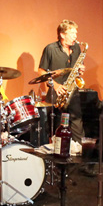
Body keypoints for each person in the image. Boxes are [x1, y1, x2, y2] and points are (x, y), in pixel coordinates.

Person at [38, 19, 85, 148]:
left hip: (73, 92)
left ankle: (79, 152)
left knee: (77, 126)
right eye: (72, 33)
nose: (75, 36)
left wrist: (80, 70)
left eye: (76, 33)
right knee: (57, 127)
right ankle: (58, 153)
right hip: (57, 93)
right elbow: (41, 71)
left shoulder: (76, 48)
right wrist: (55, 85)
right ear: (62, 34)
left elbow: (78, 68)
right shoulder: (50, 48)